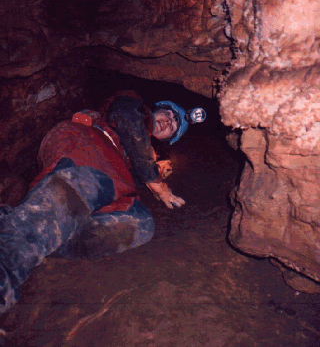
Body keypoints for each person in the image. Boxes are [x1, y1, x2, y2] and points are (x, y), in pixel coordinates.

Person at [0, 90, 206, 314]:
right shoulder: (134, 106)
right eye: (168, 113)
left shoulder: (142, 154)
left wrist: (154, 168)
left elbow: (133, 167)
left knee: (141, 223)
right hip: (85, 146)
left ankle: (26, 225)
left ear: (167, 139)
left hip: (111, 178)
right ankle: (6, 267)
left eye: (173, 126)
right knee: (83, 184)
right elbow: (128, 120)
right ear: (155, 108)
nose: (168, 120)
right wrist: (153, 179)